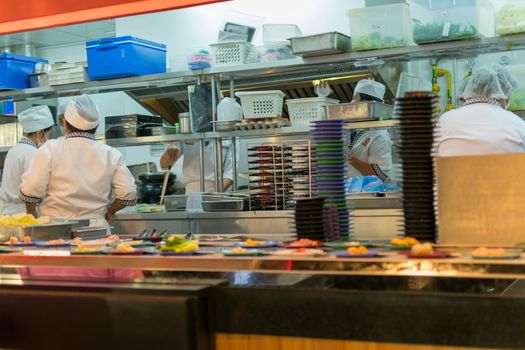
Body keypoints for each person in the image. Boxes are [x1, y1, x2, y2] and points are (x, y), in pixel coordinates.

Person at [19, 95, 137, 227]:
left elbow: (30, 190)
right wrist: (110, 211)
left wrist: (32, 215)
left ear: (64, 123)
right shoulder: (112, 154)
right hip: (96, 228)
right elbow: (128, 193)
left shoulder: (50, 149)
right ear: (97, 126)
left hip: (56, 228)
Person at [436, 64, 525, 156]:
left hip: (455, 170)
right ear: (501, 93)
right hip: (505, 170)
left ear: (470, 87)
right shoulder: (517, 123)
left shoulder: (445, 120)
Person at [0, 106, 54, 215]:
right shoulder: (33, 153)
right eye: (48, 134)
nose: (48, 138)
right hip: (26, 213)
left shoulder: (13, 150)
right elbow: (33, 189)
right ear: (39, 133)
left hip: (9, 213)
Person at [347, 79, 393, 181]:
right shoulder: (352, 128)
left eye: (355, 98)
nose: (352, 103)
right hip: (348, 191)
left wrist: (350, 159)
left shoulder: (379, 135)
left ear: (367, 104)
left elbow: (382, 175)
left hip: (367, 193)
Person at [160, 140, 234, 193]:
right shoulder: (187, 127)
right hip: (191, 193)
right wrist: (169, 154)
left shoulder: (228, 130)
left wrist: (214, 195)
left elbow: (230, 174)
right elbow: (164, 164)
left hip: (218, 191)